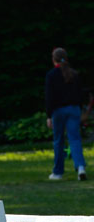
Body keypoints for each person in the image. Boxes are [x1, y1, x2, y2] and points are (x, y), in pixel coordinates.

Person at [45, 47, 87, 181]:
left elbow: (49, 97)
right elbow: (80, 94)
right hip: (74, 109)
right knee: (75, 139)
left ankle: (58, 172)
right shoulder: (74, 74)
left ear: (54, 59)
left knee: (58, 141)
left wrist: (49, 115)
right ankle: (80, 167)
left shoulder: (52, 75)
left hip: (58, 111)